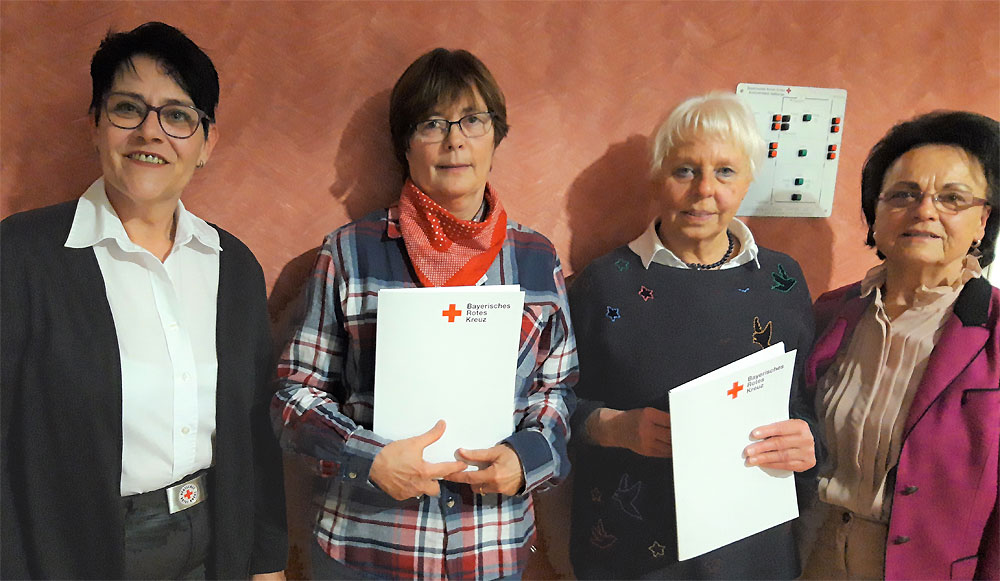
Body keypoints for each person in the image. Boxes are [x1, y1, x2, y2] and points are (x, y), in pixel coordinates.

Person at [270, 48, 577, 580]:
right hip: (368, 549)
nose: (455, 139)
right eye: (432, 123)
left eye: (473, 120)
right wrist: (367, 456)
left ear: (495, 136)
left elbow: (558, 390)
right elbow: (293, 395)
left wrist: (526, 458)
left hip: (488, 549)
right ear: (404, 144)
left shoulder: (535, 258)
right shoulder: (350, 252)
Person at [0, 22, 287, 579]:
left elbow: (256, 428)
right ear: (96, 126)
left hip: (214, 543)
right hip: (81, 552)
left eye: (178, 116)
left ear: (206, 144)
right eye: (129, 109)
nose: (151, 133)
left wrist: (267, 560)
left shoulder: (233, 265)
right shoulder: (22, 257)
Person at [567, 92, 819, 579]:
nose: (705, 190)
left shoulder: (782, 279)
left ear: (748, 180)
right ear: (659, 177)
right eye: (685, 170)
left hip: (753, 552)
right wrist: (612, 426)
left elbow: (804, 405)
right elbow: (557, 405)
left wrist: (809, 442)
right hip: (633, 552)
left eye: (725, 171)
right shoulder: (606, 280)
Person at [801, 111, 999, 580]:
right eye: (904, 194)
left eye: (952, 198)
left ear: (982, 222)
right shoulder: (831, 311)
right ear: (877, 212)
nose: (925, 210)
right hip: (810, 549)